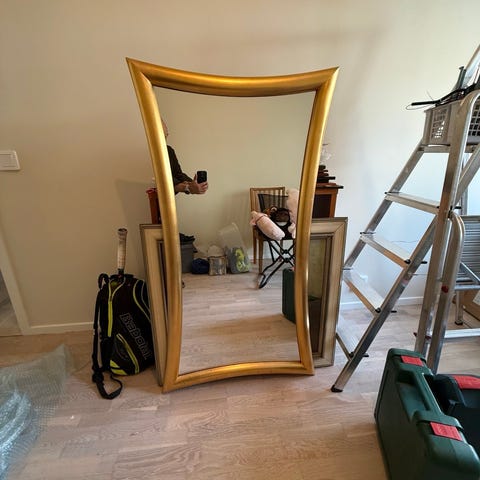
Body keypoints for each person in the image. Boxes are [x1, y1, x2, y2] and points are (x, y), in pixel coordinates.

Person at [162, 119, 209, 195]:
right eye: (163, 136)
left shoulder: (169, 150)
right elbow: (162, 179)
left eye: (166, 135)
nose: (165, 139)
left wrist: (193, 184)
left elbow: (178, 174)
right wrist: (188, 187)